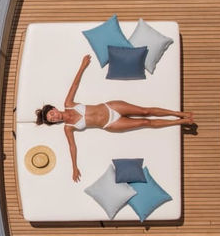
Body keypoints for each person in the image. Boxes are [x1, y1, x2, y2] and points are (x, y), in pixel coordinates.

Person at [35, 54, 194, 182]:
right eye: (52, 119)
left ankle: (180, 113)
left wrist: (82, 66)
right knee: (146, 122)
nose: (54, 117)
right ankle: (182, 122)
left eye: (52, 114)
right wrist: (74, 167)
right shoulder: (68, 128)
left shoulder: (68, 103)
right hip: (111, 123)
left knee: (145, 111)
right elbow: (72, 148)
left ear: (54, 109)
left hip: (110, 107)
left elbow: (74, 85)